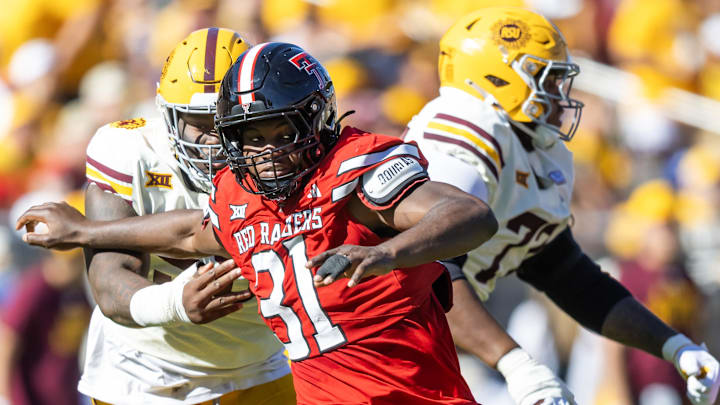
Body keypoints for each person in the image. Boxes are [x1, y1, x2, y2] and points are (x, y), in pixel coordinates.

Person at [17, 41, 499, 405]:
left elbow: (469, 215)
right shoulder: (238, 194)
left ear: (315, 121)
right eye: (249, 137)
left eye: (281, 131)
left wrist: (386, 252)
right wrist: (83, 232)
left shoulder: (355, 172)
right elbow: (188, 230)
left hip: (414, 392)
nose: (267, 153)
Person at [400, 6, 720, 405]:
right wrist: (516, 364)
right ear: (496, 79)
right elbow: (427, 266)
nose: (559, 93)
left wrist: (674, 346)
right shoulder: (466, 127)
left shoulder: (532, 150)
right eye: (546, 79)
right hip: (372, 335)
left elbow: (567, 274)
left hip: (421, 340)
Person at [72, 28, 296, 405]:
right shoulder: (129, 151)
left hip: (260, 361)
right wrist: (174, 303)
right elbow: (109, 283)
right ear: (168, 116)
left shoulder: (281, 155)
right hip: (145, 374)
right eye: (200, 125)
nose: (214, 141)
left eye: (228, 123)